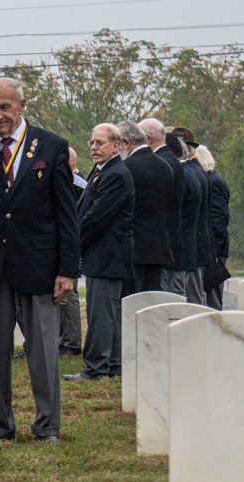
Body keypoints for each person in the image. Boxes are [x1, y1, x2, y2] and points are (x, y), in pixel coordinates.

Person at [0, 77, 79, 442]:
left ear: (22, 106)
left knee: (43, 352)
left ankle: (47, 427)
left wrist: (67, 271)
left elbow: (66, 214)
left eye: (5, 108)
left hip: (38, 263)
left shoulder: (51, 146)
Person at [64, 124, 135, 381]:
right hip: (104, 254)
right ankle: (112, 365)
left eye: (100, 143)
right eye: (92, 142)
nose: (94, 147)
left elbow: (96, 217)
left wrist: (73, 243)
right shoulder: (103, 171)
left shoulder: (115, 174)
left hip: (108, 255)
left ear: (116, 145)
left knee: (101, 315)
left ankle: (96, 368)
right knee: (107, 314)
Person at [116, 120, 173, 294]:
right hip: (157, 248)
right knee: (151, 306)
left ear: (126, 143)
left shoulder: (125, 169)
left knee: (129, 306)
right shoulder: (166, 167)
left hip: (132, 250)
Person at [139, 119, 184, 296]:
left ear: (148, 138)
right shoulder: (171, 160)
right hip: (168, 244)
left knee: (161, 301)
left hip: (160, 246)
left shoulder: (161, 163)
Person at [174, 128, 212, 305]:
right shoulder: (196, 170)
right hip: (196, 244)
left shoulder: (189, 172)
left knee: (193, 299)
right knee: (196, 296)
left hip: (193, 245)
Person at [195, 145, 230, 309]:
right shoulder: (210, 179)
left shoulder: (214, 182)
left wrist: (214, 250)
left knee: (212, 296)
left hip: (214, 248)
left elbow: (219, 218)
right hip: (209, 247)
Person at [58, 147, 84, 357]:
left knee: (69, 295)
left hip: (70, 245)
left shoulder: (77, 184)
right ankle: (62, 339)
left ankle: (72, 342)